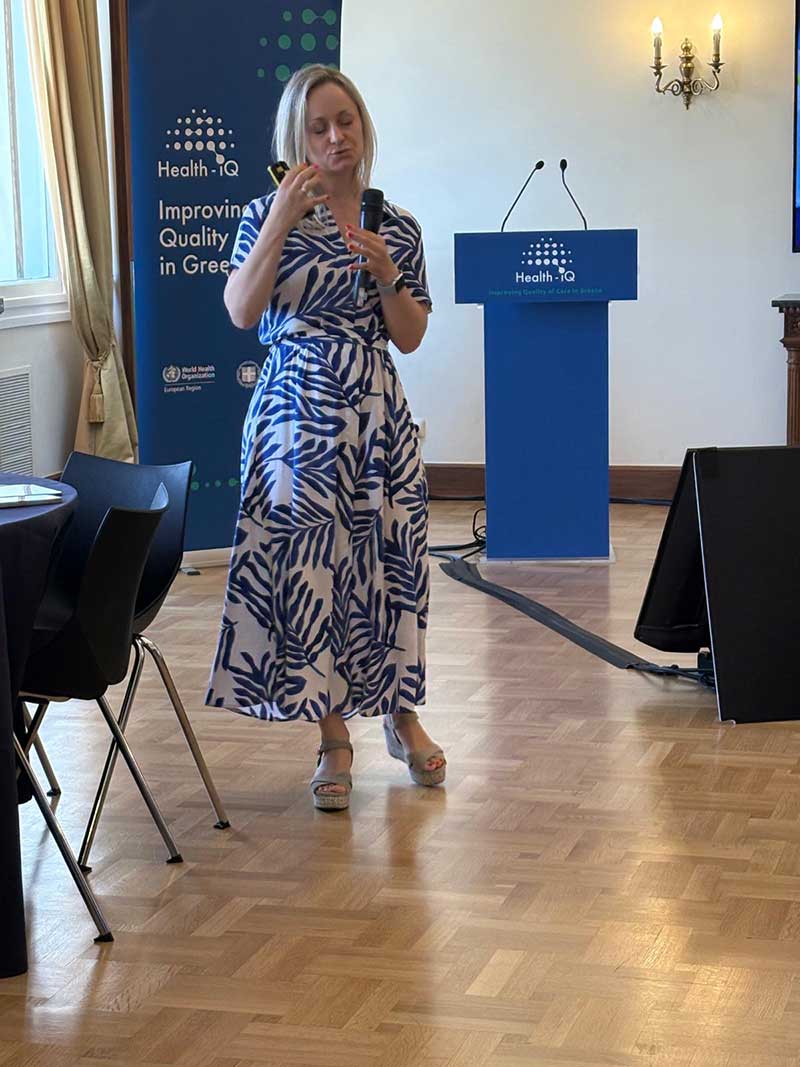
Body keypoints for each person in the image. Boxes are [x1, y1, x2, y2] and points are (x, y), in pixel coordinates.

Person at [206, 66, 445, 811]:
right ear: (297, 139)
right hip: (296, 416)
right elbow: (241, 311)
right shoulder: (265, 212)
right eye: (319, 127)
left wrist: (387, 276)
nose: (336, 137)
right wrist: (281, 218)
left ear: (364, 126)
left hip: (377, 414)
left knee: (391, 565)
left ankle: (401, 717)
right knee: (311, 573)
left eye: (346, 121)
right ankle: (331, 736)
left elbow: (410, 335)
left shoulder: (397, 224)